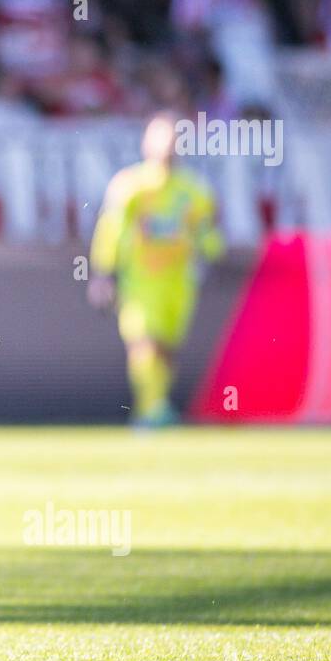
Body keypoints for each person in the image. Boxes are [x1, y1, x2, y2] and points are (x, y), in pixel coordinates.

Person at [88, 111, 223, 426]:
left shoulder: (194, 190)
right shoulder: (130, 186)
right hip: (141, 278)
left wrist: (213, 251)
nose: (168, 145)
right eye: (162, 137)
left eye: (174, 138)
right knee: (144, 341)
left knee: (166, 347)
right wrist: (104, 272)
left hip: (178, 280)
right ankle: (151, 409)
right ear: (148, 142)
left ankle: (156, 404)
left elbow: (206, 231)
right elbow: (111, 230)